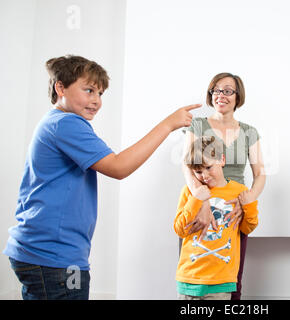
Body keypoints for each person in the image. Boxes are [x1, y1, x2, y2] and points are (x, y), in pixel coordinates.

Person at [3, 55, 200, 300]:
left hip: (51, 255)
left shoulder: (58, 122)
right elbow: (118, 167)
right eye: (89, 90)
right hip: (53, 258)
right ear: (60, 87)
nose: (96, 101)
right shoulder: (66, 124)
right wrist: (168, 124)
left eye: (100, 94)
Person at [182, 72, 266, 300]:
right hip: (201, 202)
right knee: (195, 268)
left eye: (227, 90)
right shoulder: (198, 125)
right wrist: (202, 201)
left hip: (234, 208)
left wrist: (246, 200)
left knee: (233, 277)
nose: (221, 95)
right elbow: (187, 166)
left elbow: (260, 174)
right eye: (216, 90)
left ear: (238, 96)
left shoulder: (249, 132)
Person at [175, 136, 259, 300]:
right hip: (189, 278)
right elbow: (179, 229)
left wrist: (248, 204)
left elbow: (248, 228)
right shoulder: (190, 191)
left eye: (208, 167)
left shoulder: (239, 191)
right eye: (198, 171)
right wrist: (196, 198)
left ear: (221, 159)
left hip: (221, 279)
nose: (204, 175)